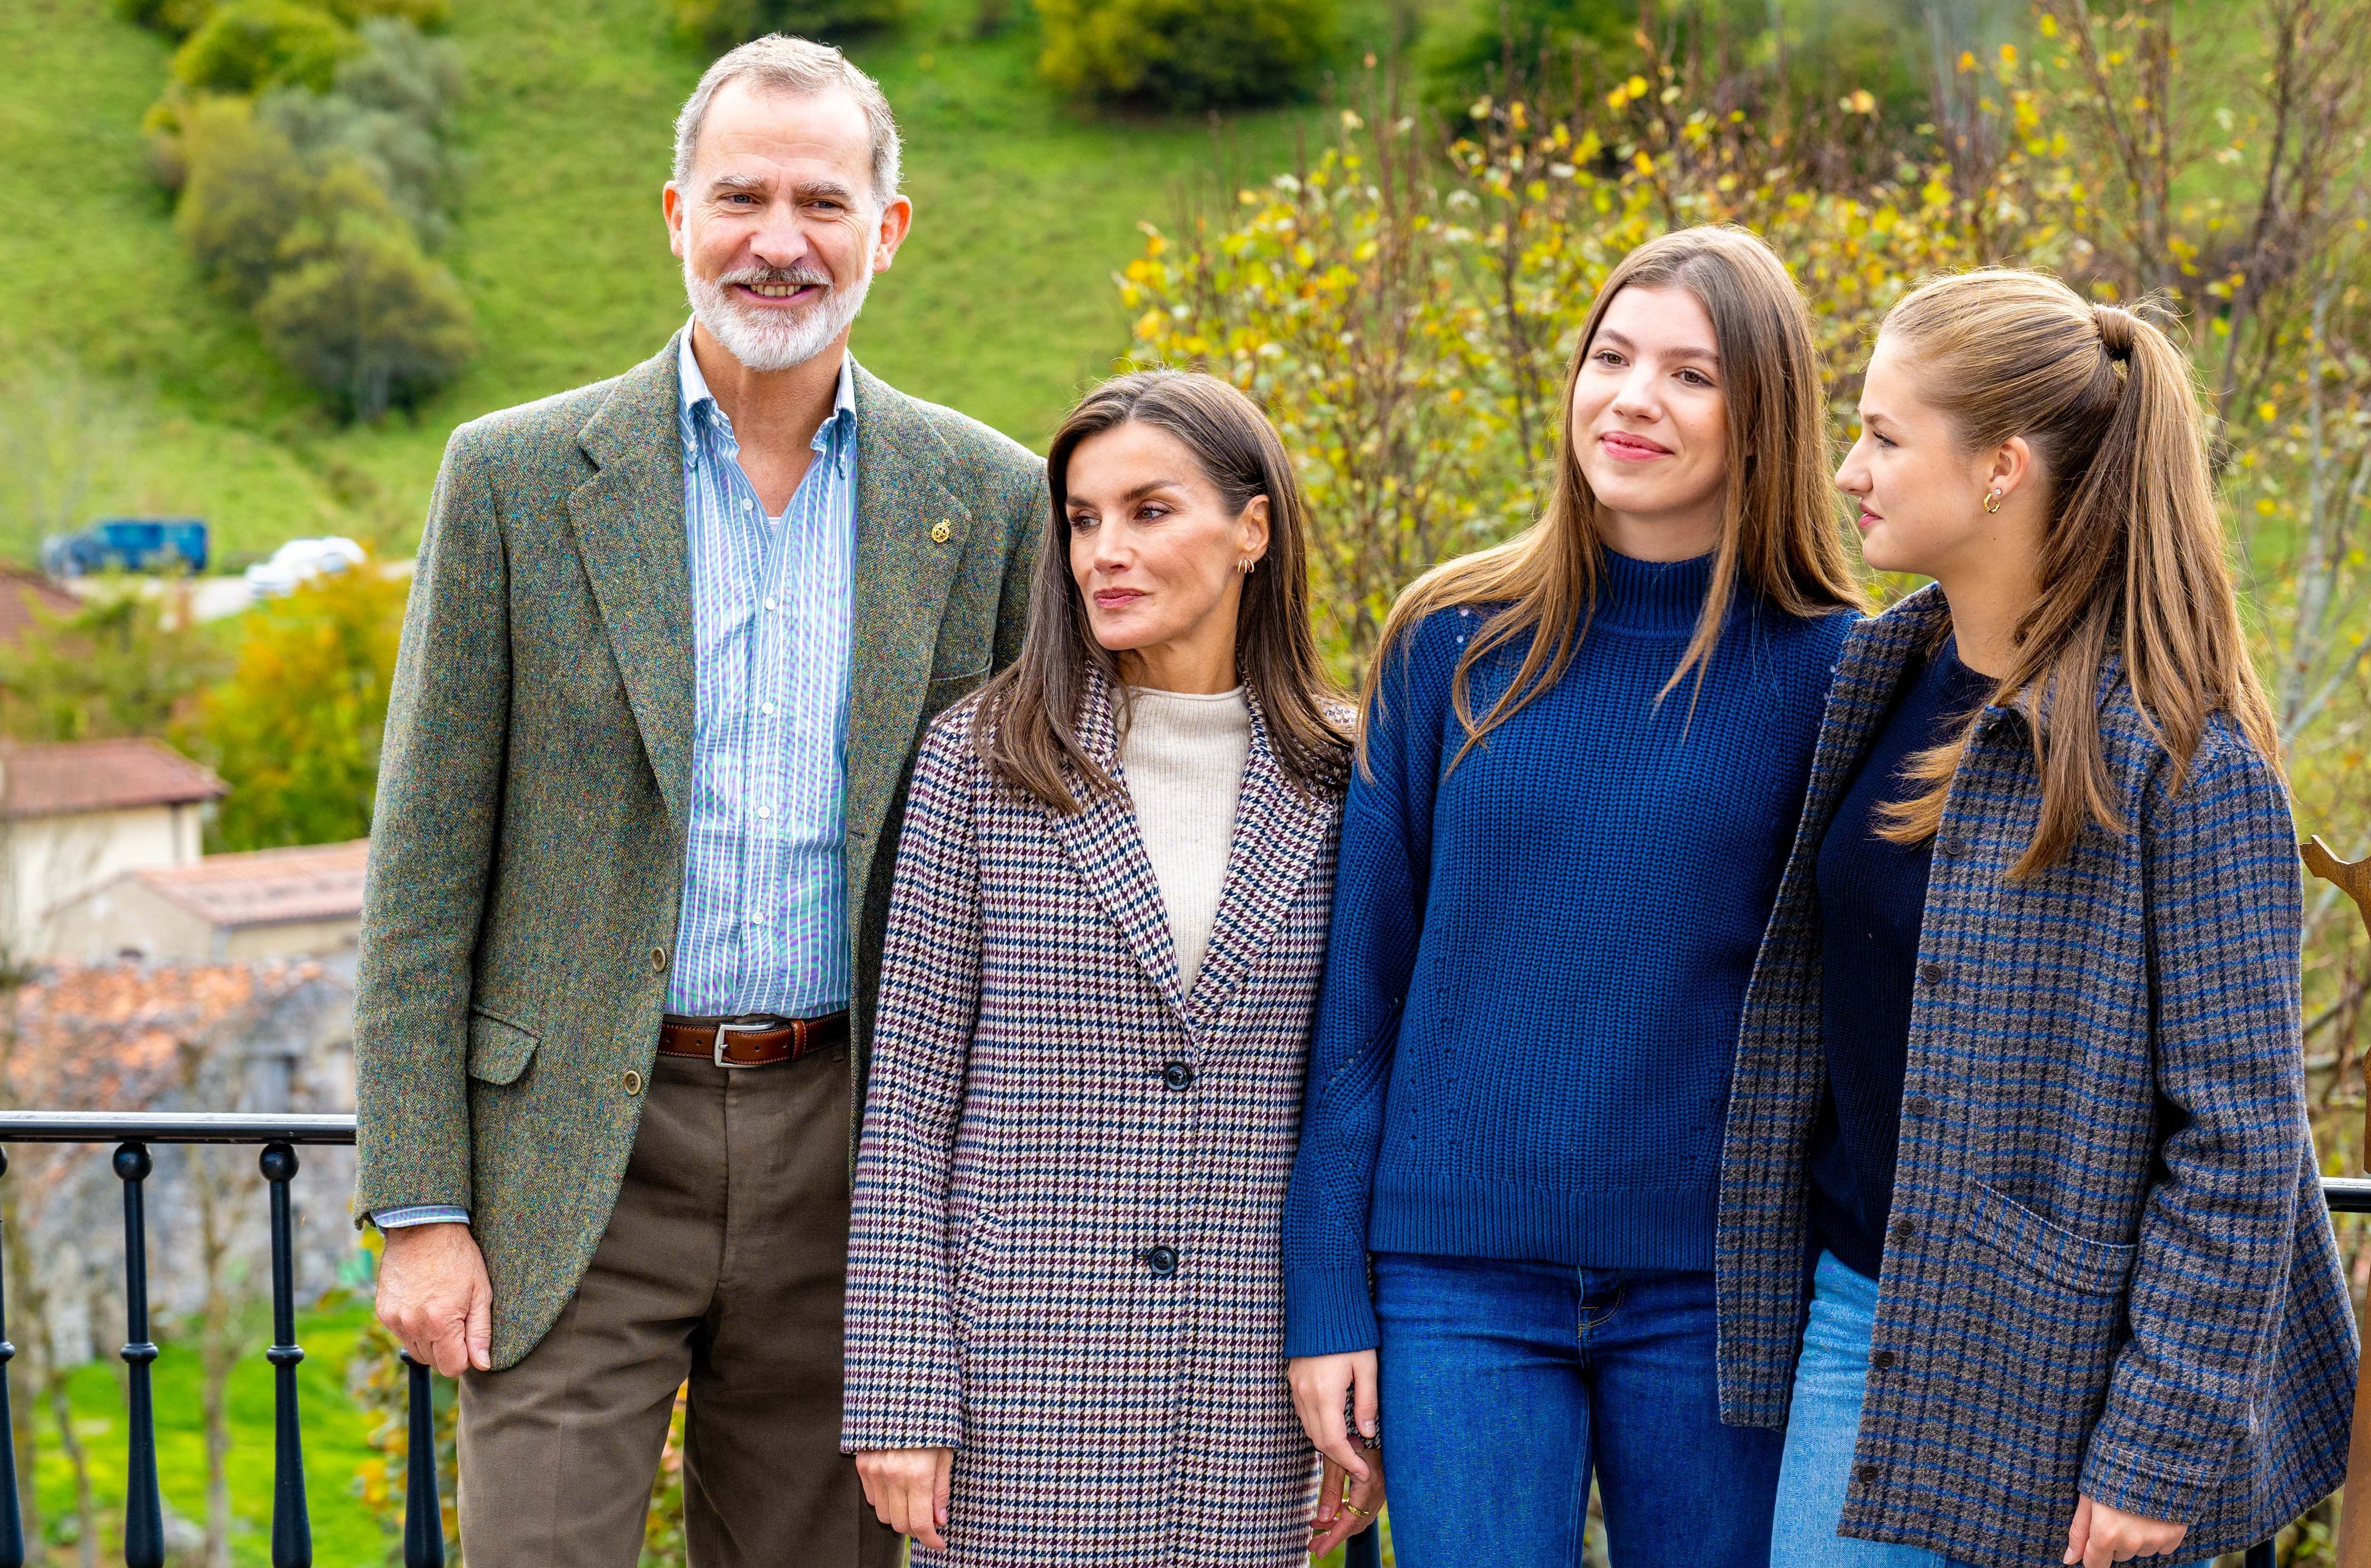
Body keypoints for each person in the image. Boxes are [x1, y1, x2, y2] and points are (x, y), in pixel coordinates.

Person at [352, 35, 1045, 1568]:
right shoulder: (514, 479)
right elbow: (421, 868)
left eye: (821, 200)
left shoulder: (989, 498)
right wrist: (415, 1200)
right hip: (567, 1159)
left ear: (888, 227)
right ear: (675, 214)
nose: (779, 241)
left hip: (856, 1156)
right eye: (741, 196)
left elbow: (1025, 874)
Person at [1735, 268, 2357, 1568]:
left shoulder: (2180, 760)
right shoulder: (1876, 675)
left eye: (1882, 435)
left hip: (2064, 1384)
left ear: (2002, 467)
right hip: (1860, 1316)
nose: (1847, 469)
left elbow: (2237, 1142)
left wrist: (2153, 1448)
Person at [1282, 225, 1866, 1565]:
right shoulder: (1450, 641)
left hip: (1719, 1295)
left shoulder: (1841, 671)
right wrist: (1326, 1297)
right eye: (1610, 357)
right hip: (1456, 1284)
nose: (1632, 398)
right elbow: (1358, 993)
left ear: (1764, 413)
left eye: (1690, 374)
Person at [841, 372, 1362, 1566]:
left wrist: (1358, 1376)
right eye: (1083, 520)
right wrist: (901, 1387)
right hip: (1012, 1393)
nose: (1104, 552)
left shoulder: (1350, 772)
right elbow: (909, 1104)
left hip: (1249, 1392)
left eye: (1148, 511)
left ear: (1253, 528)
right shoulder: (982, 757)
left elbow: (1357, 1102)